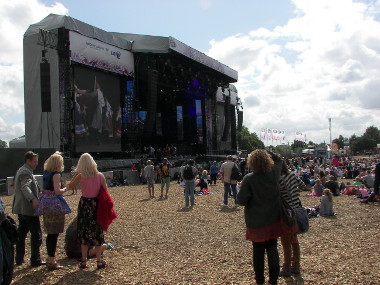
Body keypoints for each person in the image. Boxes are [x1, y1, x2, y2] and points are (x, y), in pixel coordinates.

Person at [237, 150, 284, 285]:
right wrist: (266, 151)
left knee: (258, 251)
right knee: (272, 248)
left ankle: (259, 280)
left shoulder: (249, 178)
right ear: (267, 160)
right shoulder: (274, 173)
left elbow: (241, 200)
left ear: (251, 163)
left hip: (255, 220)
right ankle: (273, 279)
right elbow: (280, 160)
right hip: (273, 217)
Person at [66, 153, 108, 269]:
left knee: (84, 232)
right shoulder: (100, 176)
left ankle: (84, 261)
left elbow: (70, 185)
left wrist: (76, 174)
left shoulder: (80, 175)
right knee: (97, 233)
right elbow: (105, 190)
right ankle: (99, 261)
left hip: (85, 204)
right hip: (96, 204)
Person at [12, 151, 45, 267]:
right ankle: (35, 260)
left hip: (21, 209)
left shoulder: (21, 170)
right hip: (28, 209)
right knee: (36, 235)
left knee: (21, 234)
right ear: (28, 161)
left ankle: (19, 259)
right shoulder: (26, 172)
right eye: (34, 161)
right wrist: (33, 199)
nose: (36, 164)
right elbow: (25, 186)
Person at [278, 160, 306, 277]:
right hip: (296, 208)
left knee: (285, 240)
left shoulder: (279, 179)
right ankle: (296, 266)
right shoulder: (292, 175)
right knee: (294, 240)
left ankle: (287, 267)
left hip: (286, 211)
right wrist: (294, 193)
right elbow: (303, 186)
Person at [41, 152, 68, 270]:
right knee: (54, 234)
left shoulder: (46, 172)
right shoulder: (56, 174)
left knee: (49, 233)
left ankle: (50, 258)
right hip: (54, 205)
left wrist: (53, 155)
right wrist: (66, 188)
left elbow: (45, 164)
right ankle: (52, 260)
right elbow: (57, 191)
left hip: (45, 204)